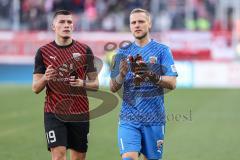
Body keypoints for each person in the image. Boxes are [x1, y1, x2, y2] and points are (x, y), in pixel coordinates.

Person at [110, 8, 178, 160]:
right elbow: (112, 87)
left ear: (149, 24)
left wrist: (151, 76)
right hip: (129, 118)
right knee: (128, 157)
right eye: (133, 22)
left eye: (141, 21)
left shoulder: (162, 51)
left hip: (154, 118)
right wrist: (121, 74)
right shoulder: (121, 52)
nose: (137, 25)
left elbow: (172, 83)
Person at [32, 10, 99, 160]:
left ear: (73, 26)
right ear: (53, 26)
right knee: (58, 156)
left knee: (78, 158)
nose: (66, 25)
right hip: (54, 112)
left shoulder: (85, 50)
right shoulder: (43, 52)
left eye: (69, 22)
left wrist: (82, 83)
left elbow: (95, 84)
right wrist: (45, 78)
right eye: (62, 22)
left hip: (79, 113)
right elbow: (35, 88)